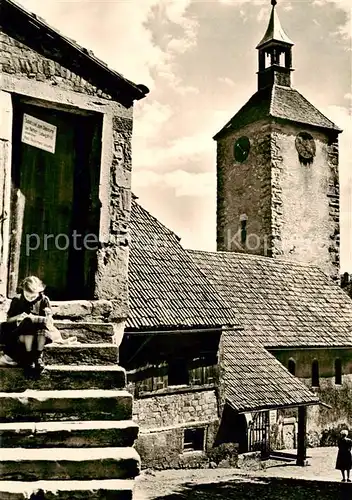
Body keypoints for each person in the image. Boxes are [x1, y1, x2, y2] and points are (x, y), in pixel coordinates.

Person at [0, 276, 54, 372]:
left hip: (39, 334)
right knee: (28, 323)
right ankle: (29, 357)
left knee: (41, 328)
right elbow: (8, 320)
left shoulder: (44, 300)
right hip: (22, 333)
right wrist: (19, 316)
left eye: (33, 296)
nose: (30, 299)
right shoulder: (17, 300)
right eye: (27, 296)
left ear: (39, 292)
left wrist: (49, 315)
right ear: (23, 290)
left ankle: (38, 356)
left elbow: (49, 322)